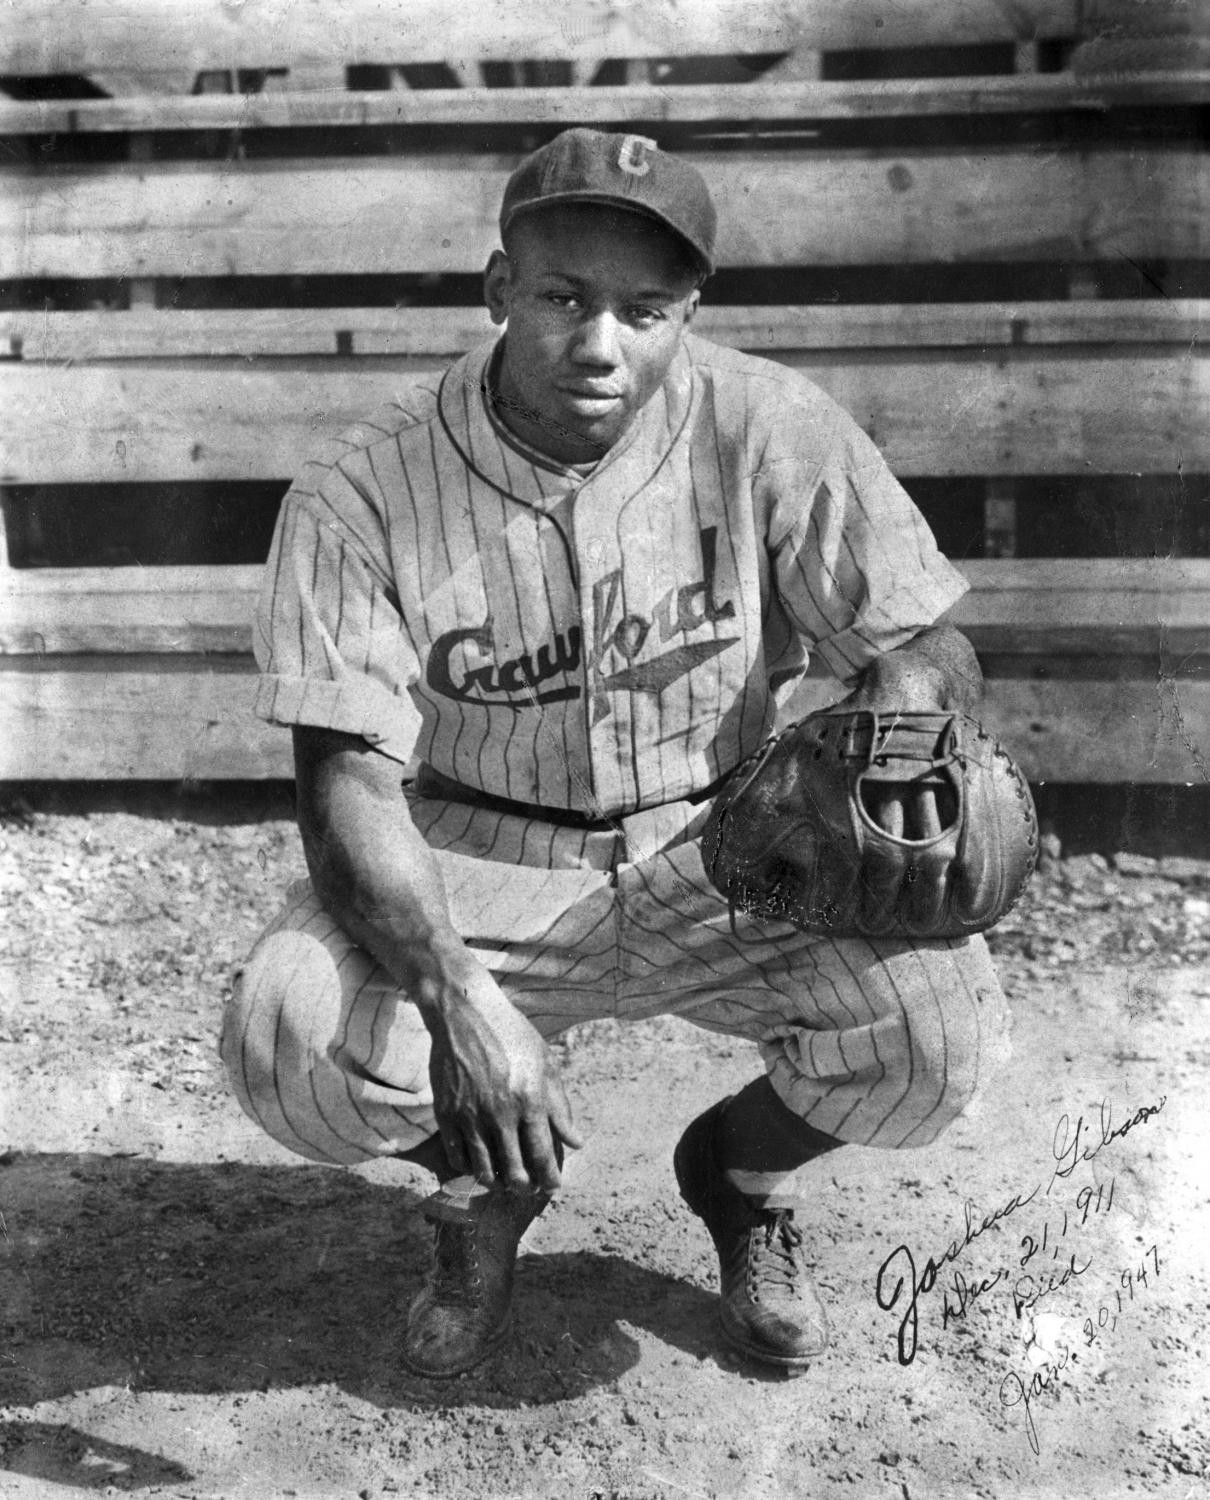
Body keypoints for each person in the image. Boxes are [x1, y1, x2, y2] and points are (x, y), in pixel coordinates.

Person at [221, 128, 1008, 1379]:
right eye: (561, 298)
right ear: (496, 291)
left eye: (644, 310)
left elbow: (923, 641)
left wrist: (899, 727)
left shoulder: (768, 423)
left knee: (938, 1042)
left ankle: (735, 1176)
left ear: (687, 308)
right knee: (289, 1040)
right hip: (476, 852)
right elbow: (346, 787)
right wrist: (460, 1004)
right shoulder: (359, 489)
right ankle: (488, 1187)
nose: (600, 344)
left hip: (729, 848)